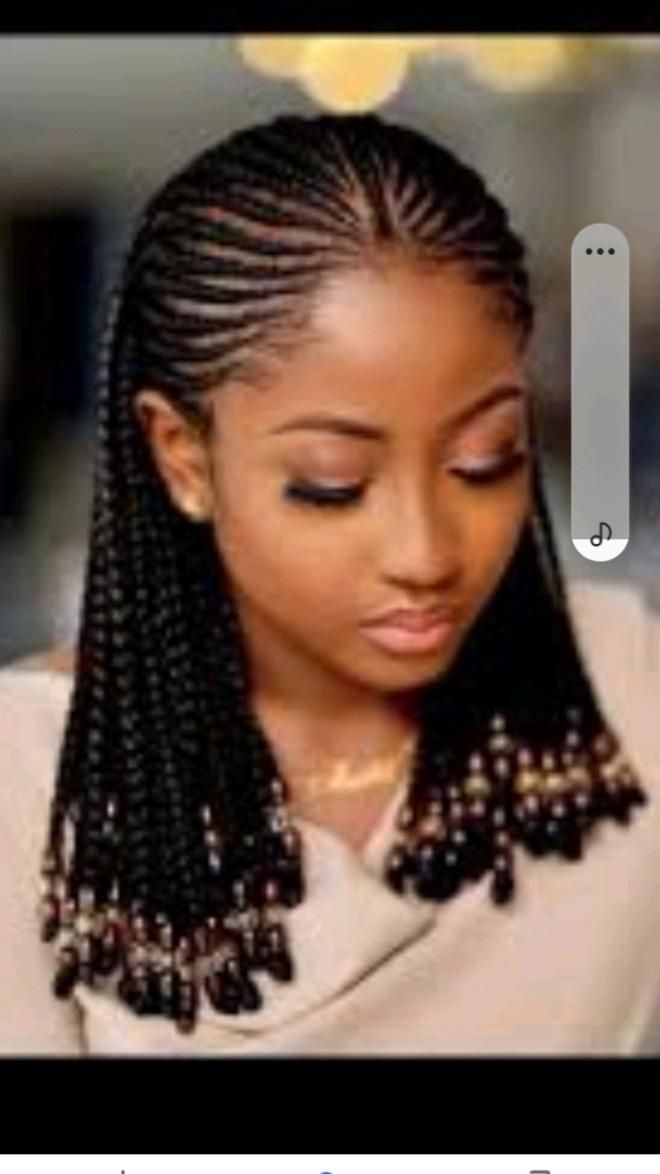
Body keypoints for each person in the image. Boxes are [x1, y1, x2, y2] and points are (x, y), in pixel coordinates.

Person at [1, 112, 659, 1056]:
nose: (425, 553)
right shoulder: (24, 780)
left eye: (486, 461)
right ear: (183, 457)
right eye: (332, 484)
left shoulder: (624, 692)